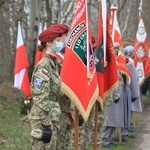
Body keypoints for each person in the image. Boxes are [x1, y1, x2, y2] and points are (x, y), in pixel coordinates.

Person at [29, 25, 64, 150]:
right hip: (43, 119)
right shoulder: (44, 66)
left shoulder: (53, 64)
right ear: (49, 43)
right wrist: (46, 122)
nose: (61, 44)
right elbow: (40, 97)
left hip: (51, 115)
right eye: (58, 41)